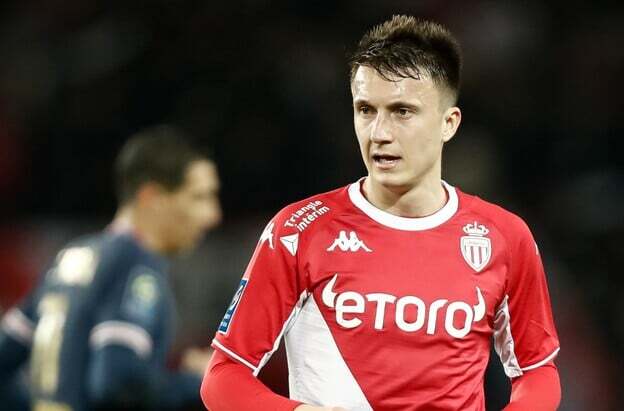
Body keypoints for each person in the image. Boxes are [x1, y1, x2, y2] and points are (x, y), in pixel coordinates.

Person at [201, 15, 560, 411]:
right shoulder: (299, 231)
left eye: (402, 111)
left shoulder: (503, 237)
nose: (379, 133)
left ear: (448, 123)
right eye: (366, 110)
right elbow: (223, 377)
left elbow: (537, 371)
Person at [0, 125, 222, 411]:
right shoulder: (136, 265)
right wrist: (196, 382)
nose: (213, 215)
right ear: (152, 198)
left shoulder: (71, 257)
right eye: (199, 197)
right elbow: (117, 383)